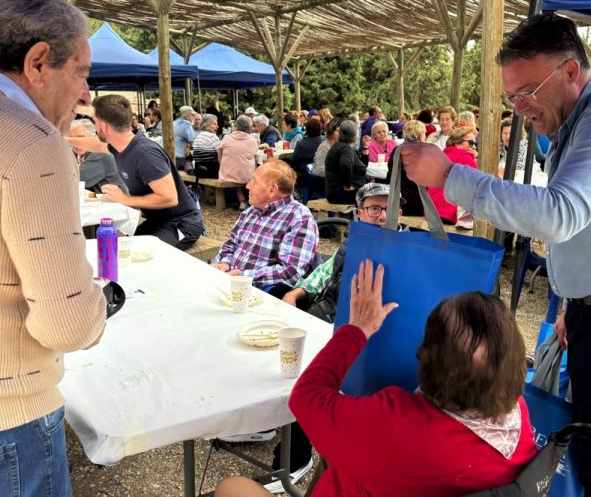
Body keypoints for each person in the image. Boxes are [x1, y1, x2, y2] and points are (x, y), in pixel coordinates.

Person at [400, 13, 591, 496]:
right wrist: (574, 303)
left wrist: (451, 177)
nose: (520, 105)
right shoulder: (572, 122)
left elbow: (559, 215)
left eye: (528, 89)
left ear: (572, 72)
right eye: (511, 95)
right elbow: (590, 227)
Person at [213, 267, 537, 497]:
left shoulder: (394, 423)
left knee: (231, 487)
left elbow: (306, 397)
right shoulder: (517, 414)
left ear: (425, 355)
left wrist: (357, 329)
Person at [0, 0, 107, 495]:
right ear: (39, 61)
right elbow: (67, 323)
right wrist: (96, 308)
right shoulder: (29, 142)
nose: (87, 94)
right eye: (82, 73)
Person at [74, 94, 203, 250]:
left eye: (95, 121)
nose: (94, 127)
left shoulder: (145, 154)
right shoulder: (119, 146)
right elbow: (94, 144)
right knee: (118, 249)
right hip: (158, 222)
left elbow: (170, 198)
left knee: (133, 255)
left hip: (182, 224)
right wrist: (62, 138)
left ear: (105, 126)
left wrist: (125, 199)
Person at [283, 183, 405, 319]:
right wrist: (293, 294)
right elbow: (323, 275)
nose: (383, 216)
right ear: (361, 214)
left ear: (399, 214)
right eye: (375, 209)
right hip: (326, 317)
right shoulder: (352, 242)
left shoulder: (410, 254)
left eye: (391, 209)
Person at [213, 161, 318, 295]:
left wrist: (244, 276)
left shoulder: (299, 217)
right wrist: (224, 264)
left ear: (272, 189)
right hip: (229, 285)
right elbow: (231, 244)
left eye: (254, 182)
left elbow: (291, 272)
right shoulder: (251, 212)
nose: (247, 186)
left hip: (260, 294)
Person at [429, 128, 478, 225]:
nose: (474, 147)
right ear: (457, 143)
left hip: (432, 210)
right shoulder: (463, 156)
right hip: (448, 213)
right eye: (470, 143)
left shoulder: (443, 154)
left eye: (474, 143)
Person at [69, 119, 128, 194]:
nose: (76, 143)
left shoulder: (100, 155)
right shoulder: (75, 154)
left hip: (116, 203)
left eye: (81, 138)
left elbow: (75, 180)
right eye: (72, 140)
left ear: (93, 137)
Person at [386, 120, 426, 216]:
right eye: (424, 134)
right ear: (420, 136)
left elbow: (390, 174)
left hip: (397, 198)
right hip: (417, 201)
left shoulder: (397, 150)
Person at [219, 114, 258, 210]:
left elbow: (219, 156)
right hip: (246, 175)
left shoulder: (226, 138)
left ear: (236, 125)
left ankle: (242, 201)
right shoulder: (252, 141)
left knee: (236, 170)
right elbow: (256, 157)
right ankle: (250, 200)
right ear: (249, 127)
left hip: (227, 173)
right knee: (246, 170)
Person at [325, 120, 368, 204]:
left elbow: (362, 166)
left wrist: (365, 148)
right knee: (376, 196)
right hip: (340, 193)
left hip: (335, 192)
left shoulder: (342, 146)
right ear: (355, 135)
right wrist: (347, 185)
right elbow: (345, 164)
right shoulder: (345, 149)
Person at [287, 118, 324, 190]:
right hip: (322, 176)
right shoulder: (325, 142)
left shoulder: (301, 144)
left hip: (304, 177)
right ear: (320, 129)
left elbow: (292, 161)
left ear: (307, 130)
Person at [173, 105, 197, 170]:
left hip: (171, 157)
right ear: (187, 116)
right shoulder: (187, 124)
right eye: (192, 115)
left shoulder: (174, 122)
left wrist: (188, 146)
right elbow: (193, 143)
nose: (194, 117)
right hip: (180, 159)